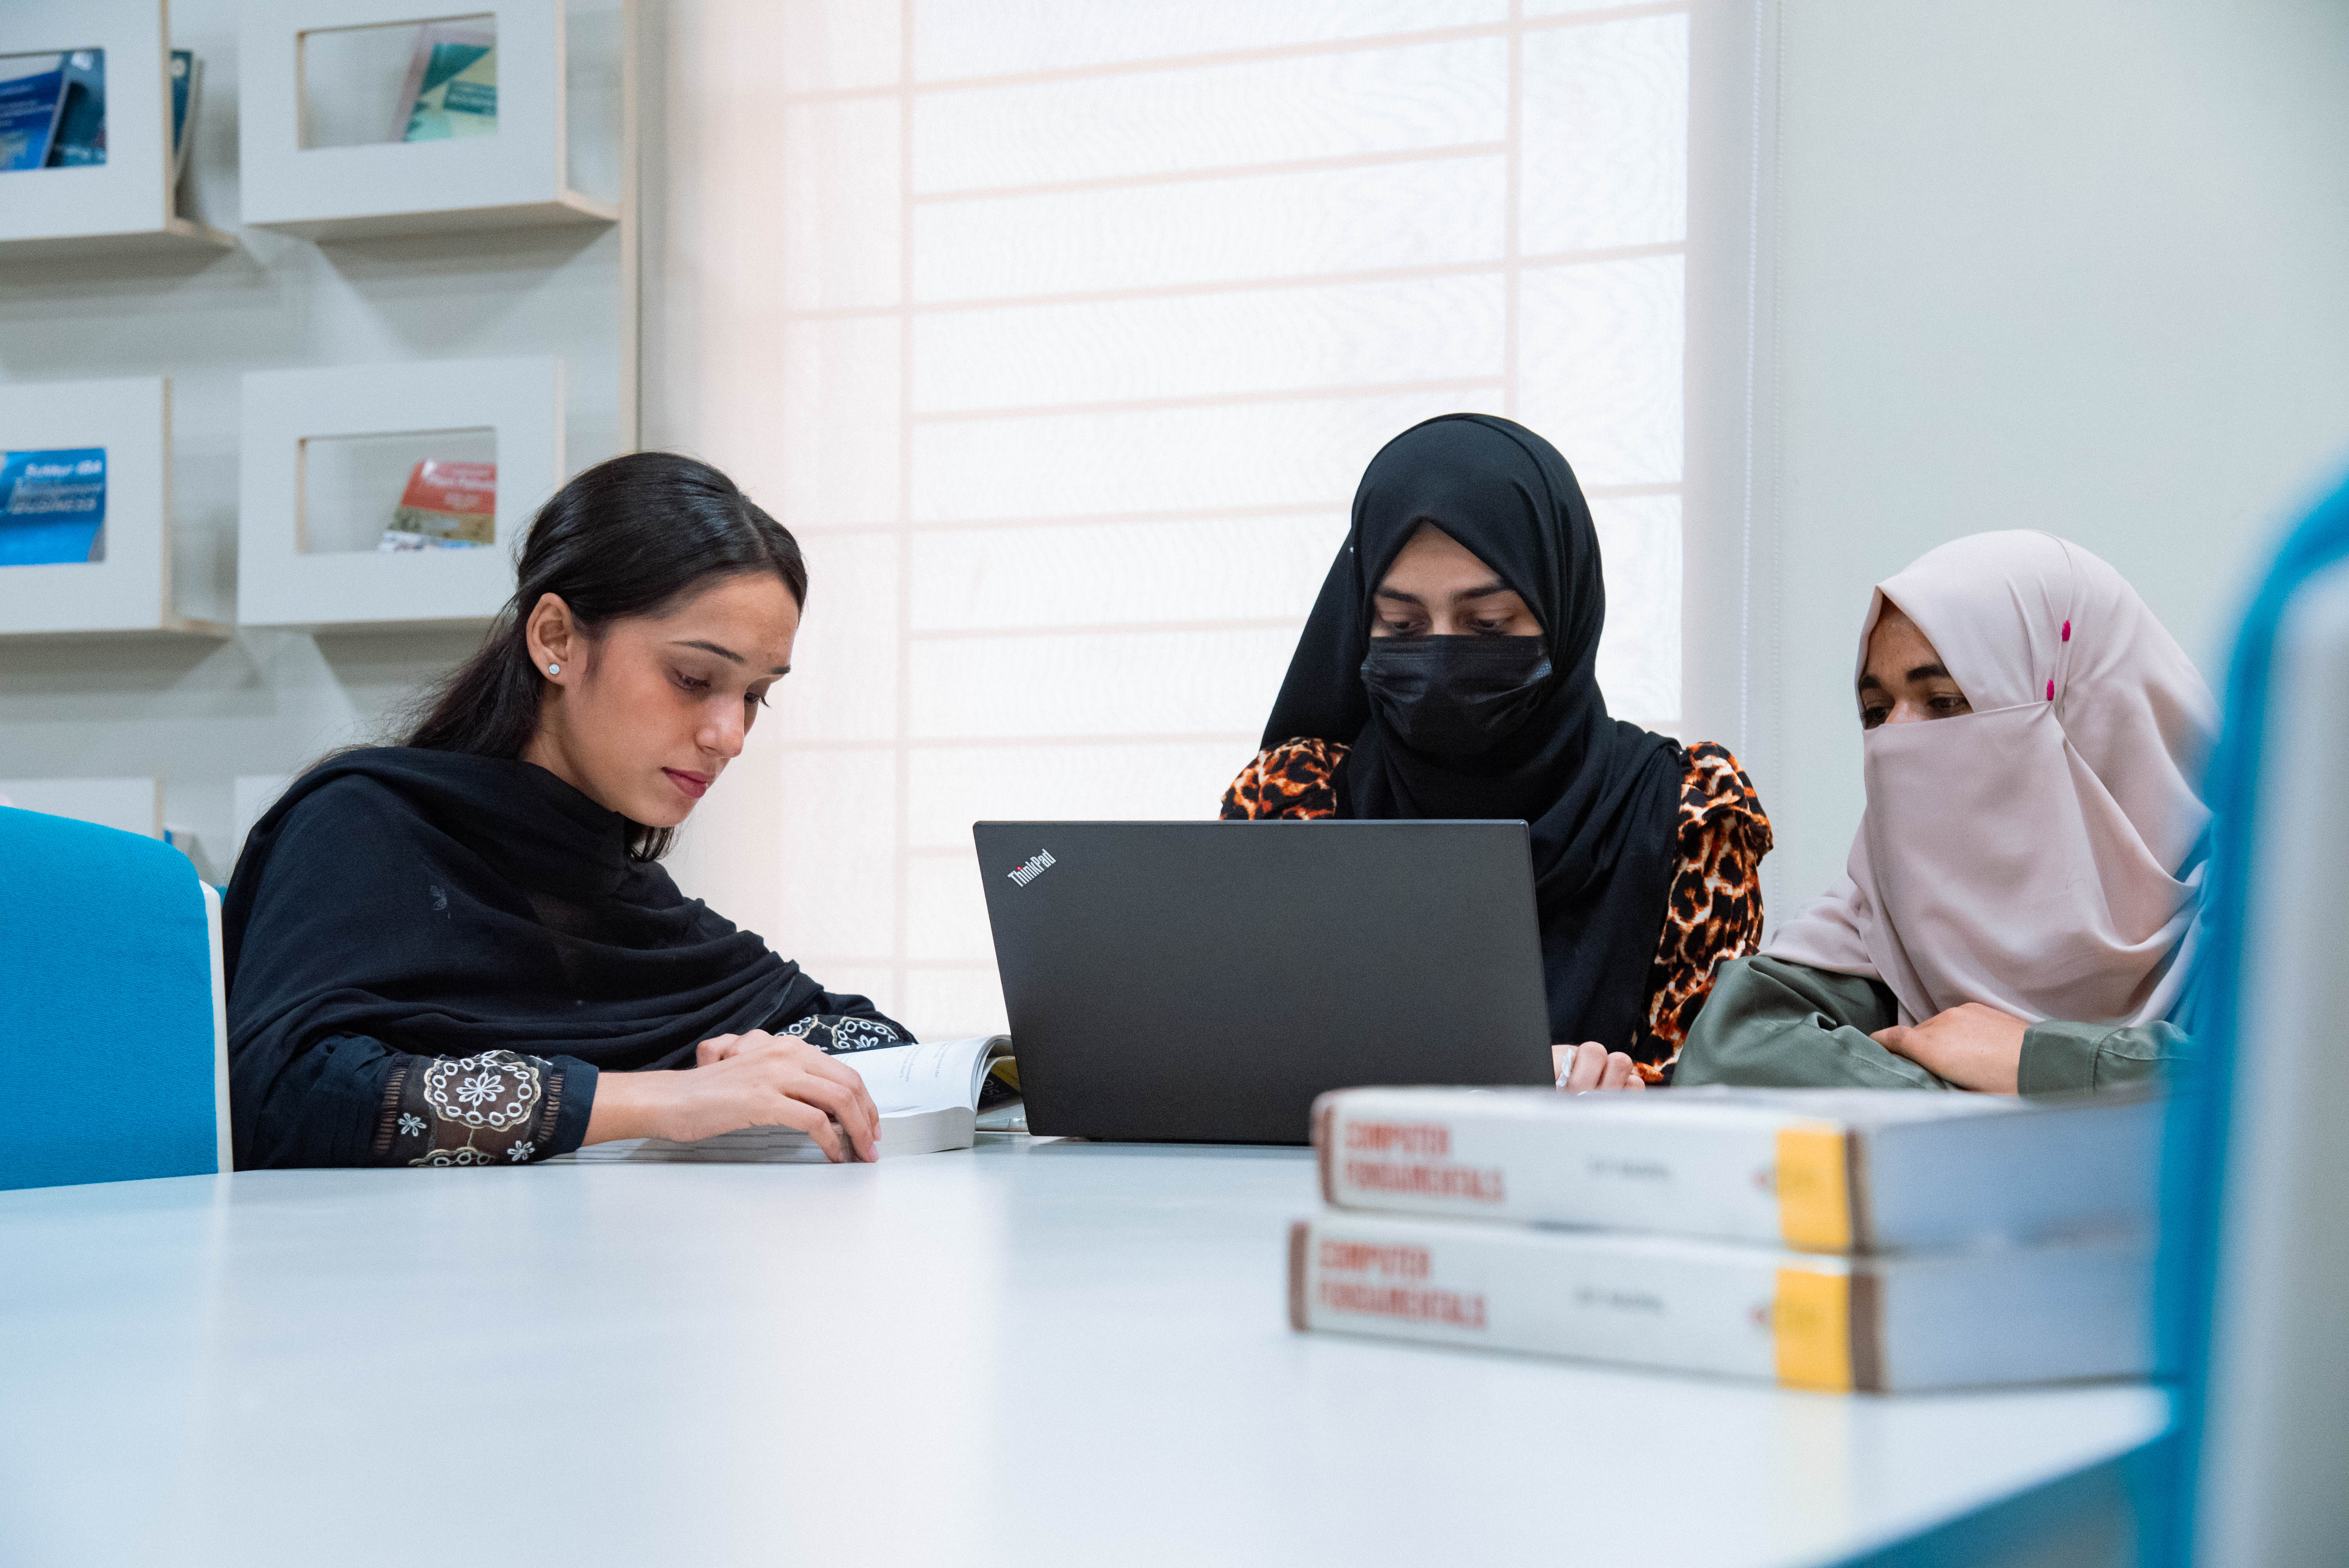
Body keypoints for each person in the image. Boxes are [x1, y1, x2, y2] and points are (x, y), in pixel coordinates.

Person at [225, 453, 897, 1169]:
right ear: (556, 640)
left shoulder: (622, 895)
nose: (729, 736)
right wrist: (663, 1101)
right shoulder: (362, 827)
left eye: (755, 695)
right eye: (693, 678)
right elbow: (285, 1095)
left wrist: (773, 1055)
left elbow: (876, 1039)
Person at [1223, 414, 1772, 1091]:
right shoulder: (1294, 803)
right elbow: (1241, 1057)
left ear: (1562, 609)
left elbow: (1717, 1088)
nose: (1443, 651)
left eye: (1488, 624)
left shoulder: (1689, 813)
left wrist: (1613, 1091)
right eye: (1403, 626)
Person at [1675, 530, 2215, 1094]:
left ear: (2081, 716)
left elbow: (2287, 1086)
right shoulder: (1885, 928)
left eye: (1945, 702)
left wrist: (2028, 1061)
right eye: (1876, 710)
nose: (1896, 740)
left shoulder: (2258, 908)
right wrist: (1973, 1085)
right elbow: (1729, 1052)